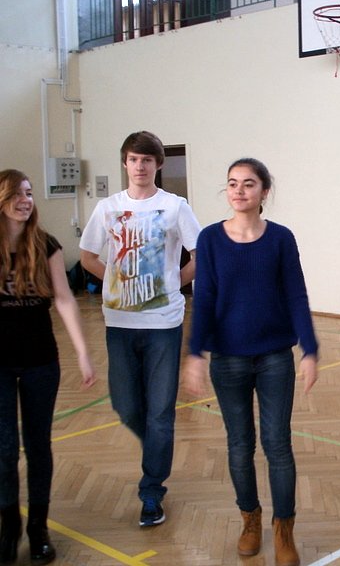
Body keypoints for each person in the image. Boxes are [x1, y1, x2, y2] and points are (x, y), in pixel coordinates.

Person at [183, 158, 318, 566]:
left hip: (275, 356)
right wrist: (195, 353)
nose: (239, 191)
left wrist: (309, 348)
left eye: (248, 184)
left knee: (278, 444)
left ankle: (284, 529)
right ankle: (250, 519)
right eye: (232, 183)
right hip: (228, 359)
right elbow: (205, 298)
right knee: (240, 444)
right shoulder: (210, 239)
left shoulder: (281, 238)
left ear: (264, 192)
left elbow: (296, 294)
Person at [79, 131, 201, 528]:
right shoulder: (108, 207)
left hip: (164, 322)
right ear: (125, 163)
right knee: (127, 406)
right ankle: (157, 448)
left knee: (160, 412)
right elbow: (87, 256)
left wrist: (173, 283)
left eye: (147, 160)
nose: (140, 166)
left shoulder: (175, 206)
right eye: (134, 159)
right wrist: (117, 282)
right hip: (120, 322)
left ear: (158, 164)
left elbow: (201, 254)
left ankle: (152, 491)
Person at [0, 169, 96, 565]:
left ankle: (38, 528)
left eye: (28, 193)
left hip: (40, 361)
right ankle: (9, 527)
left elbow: (65, 299)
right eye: (16, 194)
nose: (25, 200)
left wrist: (83, 352)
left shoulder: (46, 244)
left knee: (38, 445)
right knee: (5, 448)